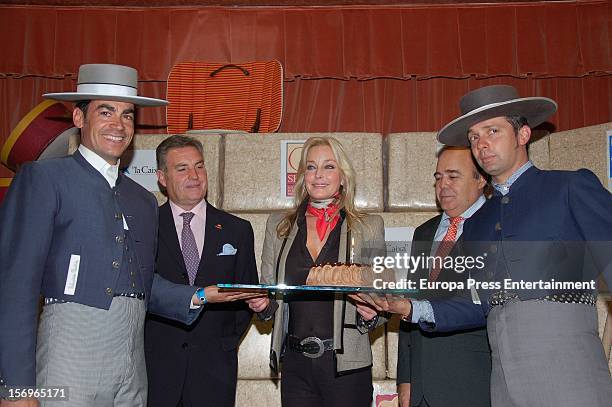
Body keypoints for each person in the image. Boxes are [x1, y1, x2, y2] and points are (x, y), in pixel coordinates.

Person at [0, 64, 211, 407]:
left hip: (131, 360)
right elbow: (15, 285)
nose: (119, 125)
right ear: (79, 118)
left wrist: (200, 295)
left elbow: (141, 283)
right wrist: (16, 387)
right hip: (70, 353)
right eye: (106, 111)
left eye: (127, 115)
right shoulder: (45, 178)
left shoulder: (142, 201)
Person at [413, 85, 612, 406]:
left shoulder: (570, 187)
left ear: (523, 134)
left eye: (493, 131)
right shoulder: (476, 222)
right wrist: (410, 308)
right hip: (504, 380)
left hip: (569, 371)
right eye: (474, 137)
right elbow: (478, 304)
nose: (482, 144)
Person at [246, 136, 385, 407]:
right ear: (302, 176)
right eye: (311, 167)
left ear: (343, 176)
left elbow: (382, 300)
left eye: (329, 166)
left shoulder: (368, 227)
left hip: (347, 366)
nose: (318, 175)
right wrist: (260, 304)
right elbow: (268, 294)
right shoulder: (279, 226)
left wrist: (372, 315)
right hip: (296, 366)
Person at [145, 135, 260, 407]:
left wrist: (224, 343)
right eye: (182, 168)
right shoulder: (145, 227)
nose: (194, 176)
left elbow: (246, 294)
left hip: (214, 372)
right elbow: (139, 292)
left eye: (199, 166)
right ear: (162, 177)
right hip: (156, 371)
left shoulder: (237, 229)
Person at [393, 146, 491, 407]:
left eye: (453, 176)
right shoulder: (423, 233)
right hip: (421, 388)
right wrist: (405, 378)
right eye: (438, 178)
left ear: (481, 179)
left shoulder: (499, 226)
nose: (443, 185)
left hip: (474, 383)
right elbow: (410, 307)